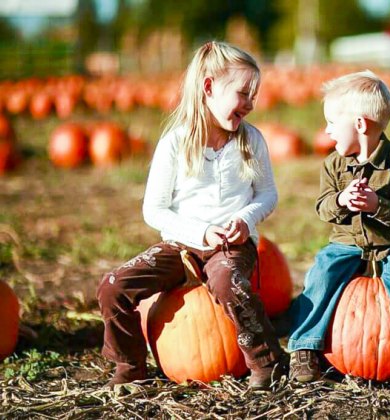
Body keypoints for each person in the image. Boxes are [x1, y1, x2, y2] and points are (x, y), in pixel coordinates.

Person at [97, 41, 286, 390]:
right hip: (181, 244)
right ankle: (129, 366)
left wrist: (245, 221)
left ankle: (267, 362)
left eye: (254, 95)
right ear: (209, 87)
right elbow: (154, 209)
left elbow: (267, 194)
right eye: (243, 93)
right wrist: (201, 232)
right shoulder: (175, 143)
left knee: (230, 284)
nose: (250, 103)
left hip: (231, 247)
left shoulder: (251, 140)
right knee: (114, 287)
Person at [287, 71, 390, 386]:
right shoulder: (333, 165)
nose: (326, 131)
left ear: (360, 125)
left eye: (332, 124)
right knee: (321, 275)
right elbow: (323, 207)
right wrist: (341, 200)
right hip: (347, 243)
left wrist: (378, 205)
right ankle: (303, 347)